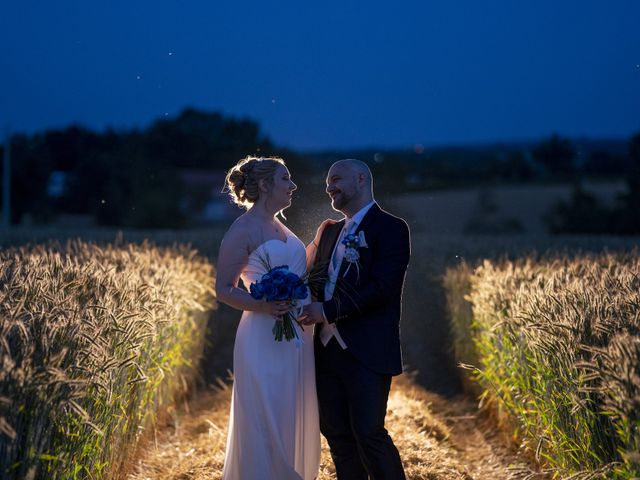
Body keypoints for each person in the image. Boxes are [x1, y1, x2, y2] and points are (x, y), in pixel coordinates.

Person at [301, 159, 410, 480]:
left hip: (367, 350)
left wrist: (329, 311)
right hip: (323, 351)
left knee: (369, 433)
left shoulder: (391, 228)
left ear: (361, 179)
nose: (328, 187)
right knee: (337, 435)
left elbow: (383, 288)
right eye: (326, 183)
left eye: (335, 179)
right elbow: (315, 282)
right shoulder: (330, 232)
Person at [215, 156, 320, 480]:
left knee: (289, 408)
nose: (293, 185)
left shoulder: (281, 226)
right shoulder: (242, 229)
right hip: (262, 334)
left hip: (296, 338)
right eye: (285, 179)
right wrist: (262, 306)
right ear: (264, 185)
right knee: (266, 411)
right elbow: (223, 289)